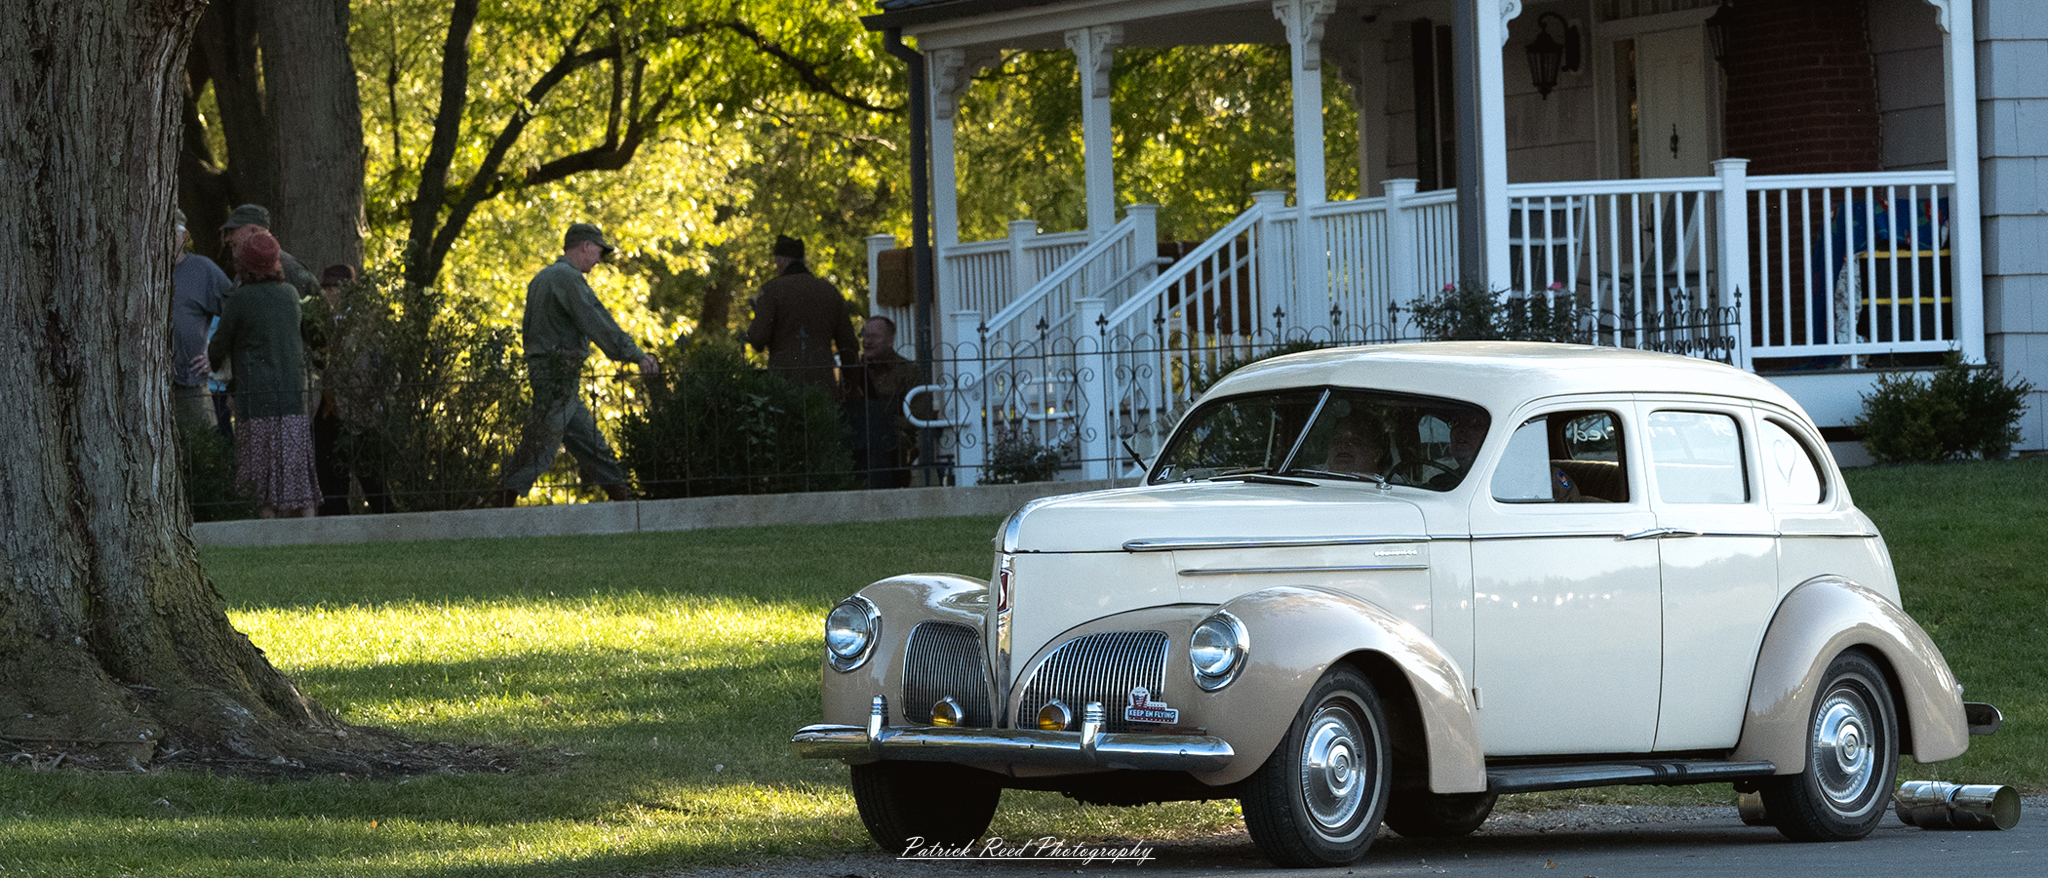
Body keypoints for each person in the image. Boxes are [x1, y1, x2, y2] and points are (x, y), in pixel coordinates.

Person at [496, 223, 659, 507]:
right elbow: (598, 321)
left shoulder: (542, 278)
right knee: (540, 446)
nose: (599, 259)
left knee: (590, 443)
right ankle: (499, 507)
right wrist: (635, 355)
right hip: (557, 375)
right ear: (585, 246)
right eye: (598, 250)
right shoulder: (567, 278)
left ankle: (626, 502)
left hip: (553, 375)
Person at [202, 229, 320, 518]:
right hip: (292, 397)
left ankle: (270, 537)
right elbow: (314, 333)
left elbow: (219, 344)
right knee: (296, 474)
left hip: (255, 399)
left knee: (260, 479)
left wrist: (213, 364)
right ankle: (310, 535)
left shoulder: (241, 299)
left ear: (245, 265)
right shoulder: (291, 295)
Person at [746, 234, 857, 393]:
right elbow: (848, 344)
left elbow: (757, 340)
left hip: (784, 383)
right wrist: (853, 384)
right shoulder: (828, 291)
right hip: (823, 382)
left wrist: (760, 315)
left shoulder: (771, 291)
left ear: (780, 262)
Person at [842, 315, 922, 488]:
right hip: (859, 434)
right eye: (865, 336)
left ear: (890, 340)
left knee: (894, 441)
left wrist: (885, 425)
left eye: (874, 337)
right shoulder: (853, 372)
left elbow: (919, 414)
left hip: (894, 436)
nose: (867, 342)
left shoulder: (908, 371)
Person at [170, 208, 231, 428]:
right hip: (148, 386)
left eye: (171, 231)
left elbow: (235, 313)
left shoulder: (202, 270)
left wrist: (213, 354)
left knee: (202, 451)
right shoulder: (140, 270)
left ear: (184, 236)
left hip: (190, 384)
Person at [217, 203, 320, 301]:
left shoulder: (292, 271)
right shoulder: (245, 270)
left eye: (232, 231)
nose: (227, 239)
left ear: (253, 230)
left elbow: (316, 314)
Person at [1321, 413, 1388, 477]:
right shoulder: (1313, 477)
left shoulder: (1393, 486)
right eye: (1337, 439)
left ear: (1376, 454)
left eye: (1355, 441)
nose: (1342, 445)